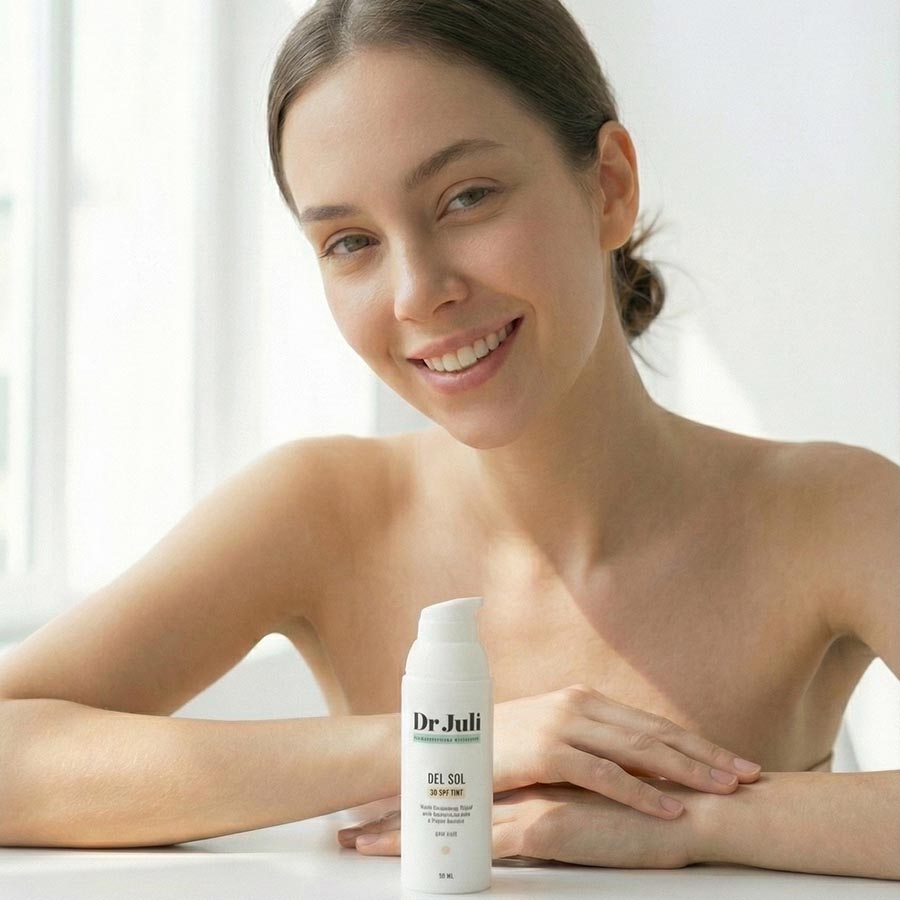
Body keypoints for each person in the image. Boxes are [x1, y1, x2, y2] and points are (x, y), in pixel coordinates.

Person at [0, 0, 897, 880]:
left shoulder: (824, 513)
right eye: (350, 241)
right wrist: (445, 744)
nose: (417, 292)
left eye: (467, 197)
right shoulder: (323, 508)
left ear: (609, 187)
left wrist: (697, 819)